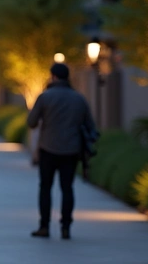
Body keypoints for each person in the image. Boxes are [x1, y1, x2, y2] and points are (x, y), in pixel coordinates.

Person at [27, 63, 96, 240]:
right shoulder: (79, 99)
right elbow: (90, 126)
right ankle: (66, 227)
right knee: (67, 188)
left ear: (53, 77)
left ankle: (44, 226)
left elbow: (31, 122)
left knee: (45, 187)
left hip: (48, 148)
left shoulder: (45, 97)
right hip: (71, 150)